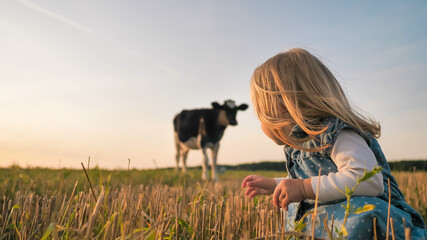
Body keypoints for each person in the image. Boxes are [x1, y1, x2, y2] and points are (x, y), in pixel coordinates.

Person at [241, 48, 426, 239]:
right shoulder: (300, 144)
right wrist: (275, 184)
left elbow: (368, 179)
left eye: (261, 116)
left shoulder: (336, 132)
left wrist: (303, 188)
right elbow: (311, 178)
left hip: (372, 213)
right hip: (332, 218)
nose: (261, 124)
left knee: (365, 217)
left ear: (282, 109)